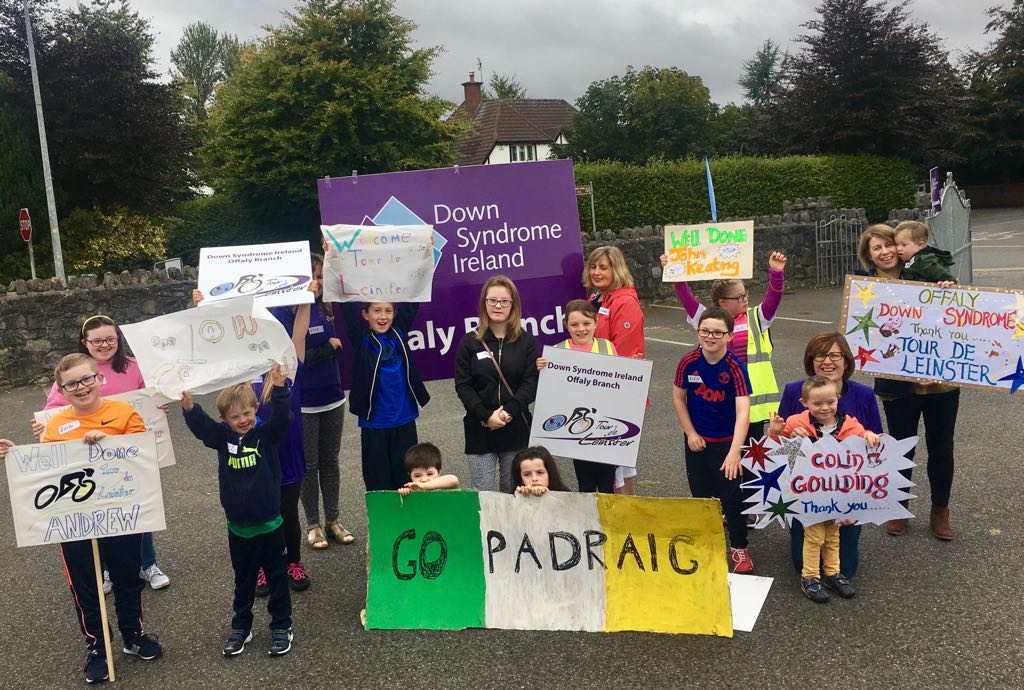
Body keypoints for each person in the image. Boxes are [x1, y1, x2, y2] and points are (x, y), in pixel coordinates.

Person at [1, 354, 162, 683]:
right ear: (61, 390)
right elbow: (47, 470)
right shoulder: (56, 425)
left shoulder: (125, 413)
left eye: (87, 379)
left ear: (99, 379)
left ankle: (133, 635)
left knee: (127, 577)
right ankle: (98, 647)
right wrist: (18, 456)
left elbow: (142, 457)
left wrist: (110, 444)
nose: (81, 387)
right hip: (74, 522)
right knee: (85, 585)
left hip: (120, 515)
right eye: (71, 383)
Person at [193, 289, 313, 593]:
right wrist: (202, 307)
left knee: (287, 513)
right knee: (258, 513)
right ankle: (262, 568)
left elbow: (299, 332)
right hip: (255, 458)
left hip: (287, 452)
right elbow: (215, 342)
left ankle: (293, 563)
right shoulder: (241, 370)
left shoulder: (288, 365)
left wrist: (306, 298)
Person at [38, 315, 170, 592]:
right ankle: (107, 570)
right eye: (97, 340)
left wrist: (158, 407)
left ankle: (149, 564)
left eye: (110, 338)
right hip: (85, 456)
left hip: (126, 452)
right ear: (84, 343)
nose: (104, 345)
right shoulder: (74, 372)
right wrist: (43, 424)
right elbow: (54, 411)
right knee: (99, 516)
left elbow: (149, 398)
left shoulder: (133, 367)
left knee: (137, 510)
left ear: (118, 339)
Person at [181, 365, 295, 658]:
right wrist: (190, 408)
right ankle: (241, 626)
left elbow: (282, 419)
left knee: (277, 578)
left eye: (247, 413)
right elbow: (203, 429)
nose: (243, 420)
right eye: (235, 417)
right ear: (224, 419)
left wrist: (279, 388)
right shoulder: (222, 437)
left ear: (256, 409)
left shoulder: (266, 434)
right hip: (238, 528)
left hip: (270, 525)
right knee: (243, 580)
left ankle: (282, 625)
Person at [857, 224, 960, 540]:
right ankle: (899, 507)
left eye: (889, 244)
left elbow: (959, 314)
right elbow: (863, 335)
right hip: (896, 385)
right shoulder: (865, 288)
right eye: (877, 248)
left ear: (901, 247)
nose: (886, 252)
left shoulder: (926, 272)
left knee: (941, 447)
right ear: (869, 256)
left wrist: (951, 288)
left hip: (941, 381)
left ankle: (940, 510)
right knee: (901, 447)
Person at [778, 332, 883, 580]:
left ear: (846, 360)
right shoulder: (794, 391)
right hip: (806, 489)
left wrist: (870, 439)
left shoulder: (864, 394)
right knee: (802, 565)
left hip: (847, 488)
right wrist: (790, 440)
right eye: (820, 356)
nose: (827, 361)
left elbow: (877, 442)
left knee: (845, 569)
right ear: (810, 361)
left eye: (835, 355)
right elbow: (779, 441)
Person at [769, 375, 881, 603]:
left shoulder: (851, 425)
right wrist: (777, 431)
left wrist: (868, 434)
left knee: (832, 537)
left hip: (838, 495)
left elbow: (864, 440)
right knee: (814, 537)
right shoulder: (796, 423)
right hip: (809, 495)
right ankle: (809, 577)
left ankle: (832, 573)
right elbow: (775, 450)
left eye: (830, 402)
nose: (825, 407)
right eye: (817, 403)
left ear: (838, 398)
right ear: (804, 403)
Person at [659, 251, 787, 441]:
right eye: (739, 297)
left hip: (749, 404)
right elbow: (686, 298)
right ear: (723, 302)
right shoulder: (708, 319)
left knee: (749, 453)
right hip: (717, 400)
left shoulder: (756, 318)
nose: (745, 299)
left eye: (745, 294)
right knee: (721, 451)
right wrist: (673, 272)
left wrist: (776, 273)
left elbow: (773, 298)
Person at [671, 307, 753, 574]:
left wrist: (734, 452)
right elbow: (678, 398)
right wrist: (691, 433)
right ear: (698, 332)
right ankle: (706, 545)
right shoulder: (688, 362)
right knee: (701, 497)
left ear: (729, 336)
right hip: (697, 442)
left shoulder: (735, 368)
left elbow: (743, 412)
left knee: (732, 499)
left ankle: (739, 547)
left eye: (718, 332)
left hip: (727, 443)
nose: (710, 336)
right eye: (705, 331)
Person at [454, 276, 539, 492]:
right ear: (484, 303)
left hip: (515, 427)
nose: (498, 306)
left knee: (514, 492)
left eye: (504, 301)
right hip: (480, 429)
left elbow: (530, 383)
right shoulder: (469, 342)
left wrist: (507, 413)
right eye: (492, 300)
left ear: (513, 304)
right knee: (484, 494)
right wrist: (485, 415)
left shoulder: (526, 342)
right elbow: (463, 385)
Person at [337, 300, 430, 491]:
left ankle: (406, 512)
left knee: (406, 479)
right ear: (365, 315)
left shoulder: (399, 331)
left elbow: (412, 301)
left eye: (388, 311)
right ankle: (382, 512)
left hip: (404, 420)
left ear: (395, 314)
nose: (383, 316)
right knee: (378, 481)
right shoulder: (361, 337)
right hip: (374, 423)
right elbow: (347, 308)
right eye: (377, 311)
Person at [299, 254, 353, 550]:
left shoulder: (328, 308)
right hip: (304, 402)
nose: (316, 282)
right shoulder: (290, 312)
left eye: (320, 276)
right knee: (309, 466)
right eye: (311, 276)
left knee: (330, 462)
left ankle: (333, 520)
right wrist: (328, 349)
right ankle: (313, 524)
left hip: (333, 397)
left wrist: (334, 253)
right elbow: (294, 359)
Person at [536, 299, 618, 493]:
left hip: (605, 425)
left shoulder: (607, 347)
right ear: (566, 325)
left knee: (607, 485)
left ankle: (607, 513)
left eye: (586, 323)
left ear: (596, 323)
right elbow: (550, 391)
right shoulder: (557, 352)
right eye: (574, 324)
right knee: (585, 483)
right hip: (577, 427)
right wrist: (541, 370)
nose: (581, 329)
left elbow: (619, 383)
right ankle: (587, 514)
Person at [583, 246, 645, 495]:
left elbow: (624, 353)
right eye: (593, 266)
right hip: (595, 390)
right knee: (608, 463)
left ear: (616, 270)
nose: (596, 272)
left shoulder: (624, 302)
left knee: (620, 464)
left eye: (603, 267)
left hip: (617, 391)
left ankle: (625, 511)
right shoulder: (595, 299)